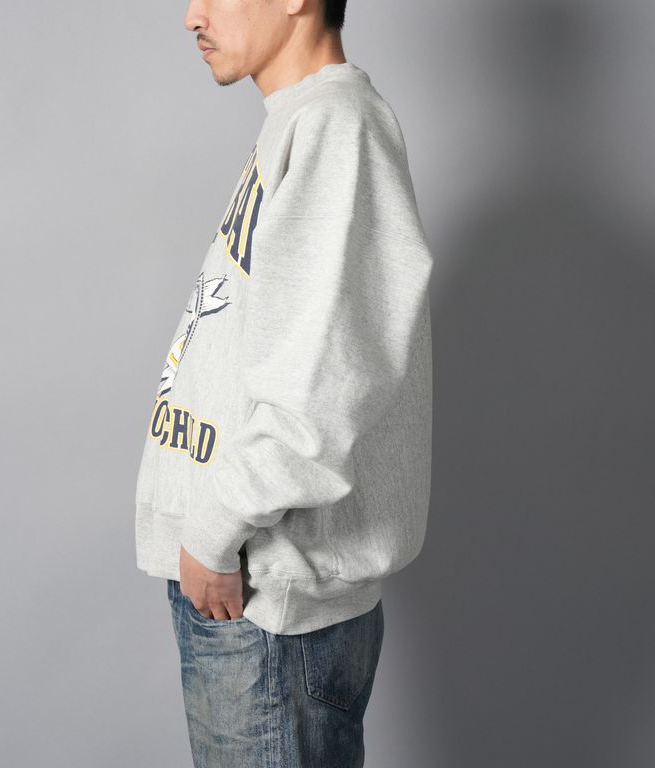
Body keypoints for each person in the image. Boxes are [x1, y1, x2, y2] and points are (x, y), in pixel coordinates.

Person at [134, 0, 434, 764]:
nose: (192, 16)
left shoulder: (337, 128)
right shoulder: (302, 122)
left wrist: (212, 533)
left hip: (267, 603)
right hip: (251, 586)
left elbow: (323, 389)